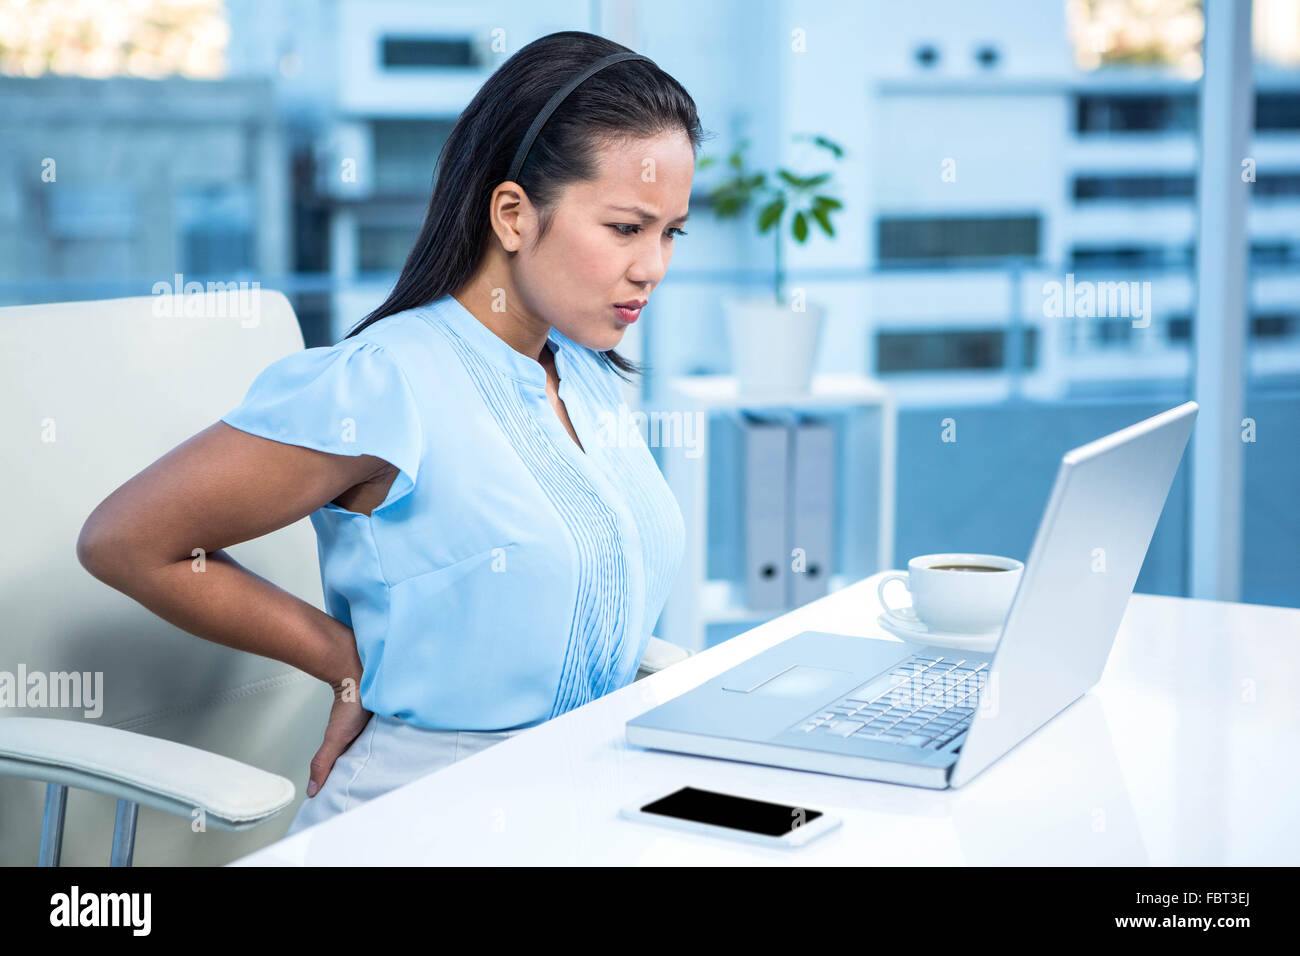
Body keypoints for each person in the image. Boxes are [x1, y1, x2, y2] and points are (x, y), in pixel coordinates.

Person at [76, 30, 702, 837]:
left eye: (671, 233)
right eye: (626, 228)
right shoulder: (383, 385)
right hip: (428, 825)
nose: (653, 265)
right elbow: (126, 540)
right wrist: (341, 663)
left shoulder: (582, 371)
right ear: (513, 214)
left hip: (590, 809)